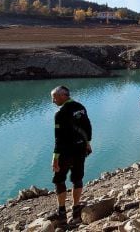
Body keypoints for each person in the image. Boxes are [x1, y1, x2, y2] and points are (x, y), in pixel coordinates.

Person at [49, 85, 92, 224]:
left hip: (66, 152)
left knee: (59, 180)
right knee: (77, 178)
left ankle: (61, 214)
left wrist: (55, 158)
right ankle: (76, 212)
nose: (53, 101)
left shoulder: (60, 114)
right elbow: (88, 126)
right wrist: (88, 142)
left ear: (63, 96)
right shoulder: (81, 107)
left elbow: (58, 138)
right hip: (80, 150)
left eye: (54, 97)